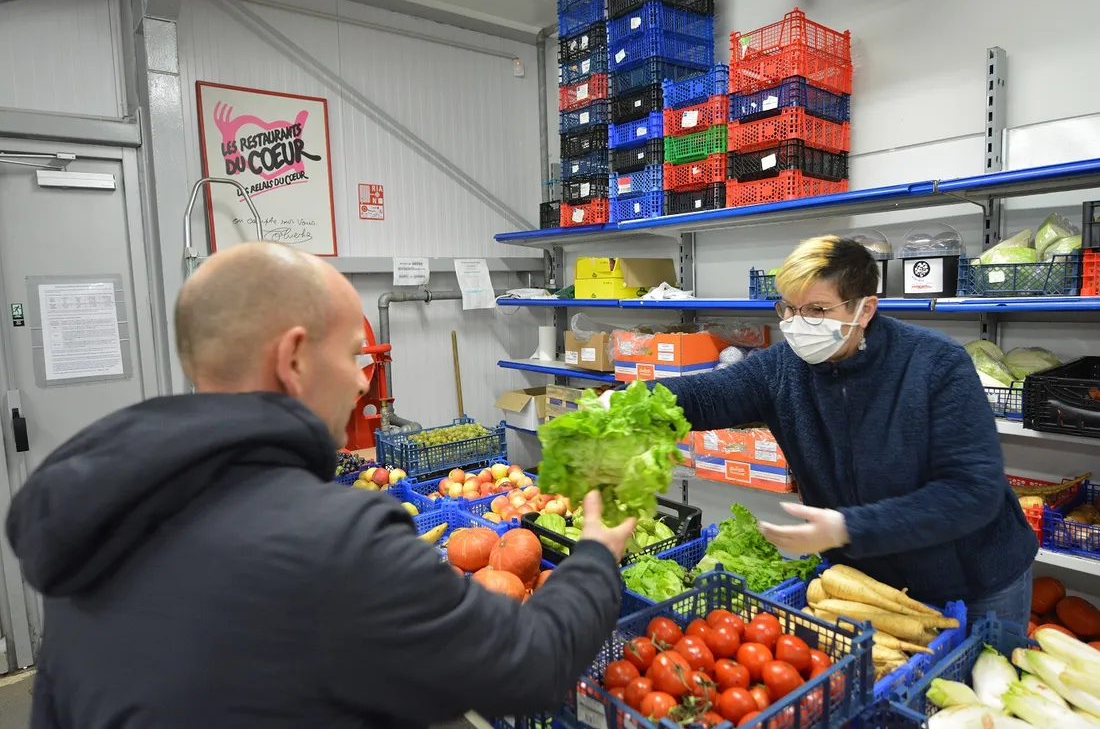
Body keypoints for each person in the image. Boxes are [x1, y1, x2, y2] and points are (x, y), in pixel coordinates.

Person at [5, 242, 635, 729]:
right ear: (294, 359)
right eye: (354, 354)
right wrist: (594, 559)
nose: (363, 380)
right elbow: (529, 663)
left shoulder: (95, 515)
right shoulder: (334, 541)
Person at [638, 235, 1037, 625]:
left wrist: (849, 527)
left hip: (973, 582)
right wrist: (629, 403)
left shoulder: (936, 365)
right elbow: (708, 396)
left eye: (816, 310)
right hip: (863, 581)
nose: (796, 324)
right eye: (788, 308)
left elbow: (972, 491)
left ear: (864, 310)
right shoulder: (782, 368)